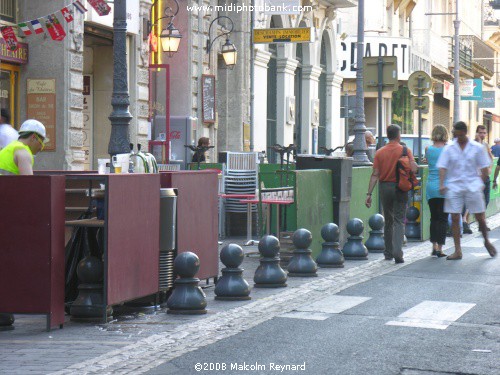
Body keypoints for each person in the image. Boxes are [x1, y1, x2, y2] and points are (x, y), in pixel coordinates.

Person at [437, 121, 497, 260]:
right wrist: (442, 184)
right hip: (454, 186)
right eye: (455, 135)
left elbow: (485, 168)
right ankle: (458, 250)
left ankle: (486, 241)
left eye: (460, 135)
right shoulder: (449, 148)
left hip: (472, 185)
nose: (457, 138)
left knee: (480, 218)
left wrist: (481, 181)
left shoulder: (476, 148)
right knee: (455, 217)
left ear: (464, 132)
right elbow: (442, 166)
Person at [365, 124, 418, 264]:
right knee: (399, 220)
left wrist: (369, 194)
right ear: (399, 135)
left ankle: (388, 252)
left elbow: (375, 174)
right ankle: (398, 253)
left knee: (388, 219)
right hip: (401, 188)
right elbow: (413, 168)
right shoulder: (406, 150)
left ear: (388, 135)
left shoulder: (380, 152)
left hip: (384, 187)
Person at [424, 125, 449, 258]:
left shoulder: (428, 149)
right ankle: (440, 248)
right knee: (443, 218)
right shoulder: (447, 150)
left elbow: (428, 163)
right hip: (444, 186)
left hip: (431, 186)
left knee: (434, 217)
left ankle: (433, 247)